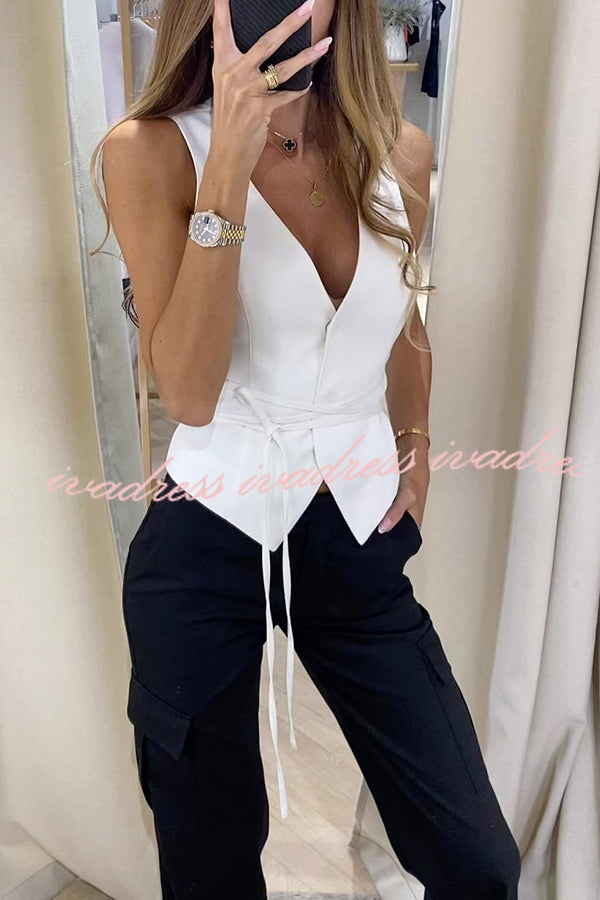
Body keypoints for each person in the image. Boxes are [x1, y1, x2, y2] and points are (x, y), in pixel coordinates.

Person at [94, 0, 521, 896]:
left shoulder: (399, 152)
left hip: (353, 530)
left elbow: (402, 321)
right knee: (210, 863)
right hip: (206, 535)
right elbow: (191, 396)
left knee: (476, 857)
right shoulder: (149, 152)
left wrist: (415, 440)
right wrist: (227, 165)